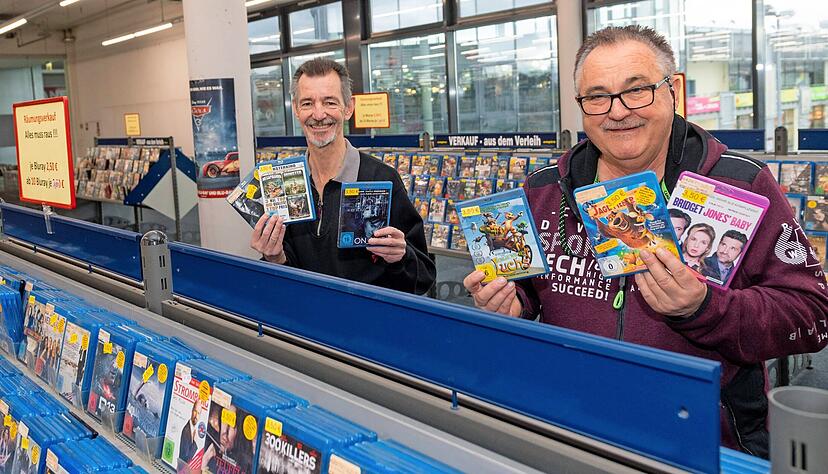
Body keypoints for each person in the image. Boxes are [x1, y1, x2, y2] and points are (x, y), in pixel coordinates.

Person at [463, 25, 828, 457]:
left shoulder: (742, 184)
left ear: (673, 90)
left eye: (636, 91)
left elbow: (812, 314)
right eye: (597, 96)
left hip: (703, 443)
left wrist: (705, 309)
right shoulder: (544, 190)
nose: (617, 112)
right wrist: (512, 302)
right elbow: (529, 291)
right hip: (571, 431)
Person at [250, 58, 435, 295]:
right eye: (307, 103)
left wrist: (401, 256)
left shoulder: (381, 178)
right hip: (302, 325)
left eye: (330, 102)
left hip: (367, 326)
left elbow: (424, 277)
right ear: (296, 109)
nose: (319, 114)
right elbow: (283, 284)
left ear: (348, 107)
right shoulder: (283, 184)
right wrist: (274, 258)